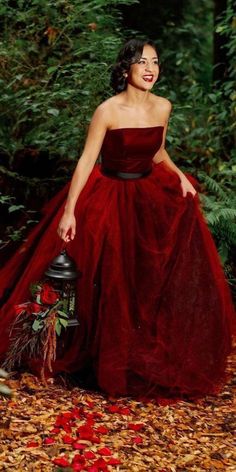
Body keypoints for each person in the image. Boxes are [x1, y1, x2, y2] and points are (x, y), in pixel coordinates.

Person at [0, 39, 235, 399]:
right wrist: (69, 211)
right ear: (126, 68)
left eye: (155, 62)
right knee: (109, 278)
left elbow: (157, 150)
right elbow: (86, 160)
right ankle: (101, 358)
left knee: (144, 277)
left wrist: (180, 177)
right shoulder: (107, 111)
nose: (150, 68)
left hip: (147, 196)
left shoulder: (163, 106)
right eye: (141, 62)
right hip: (109, 195)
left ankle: (137, 352)